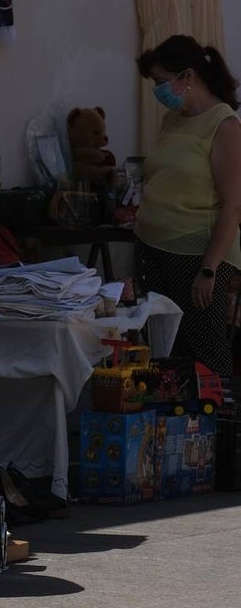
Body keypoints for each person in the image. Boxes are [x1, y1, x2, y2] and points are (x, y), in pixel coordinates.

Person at [135, 34, 241, 378]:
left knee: (203, 347)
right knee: (163, 347)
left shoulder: (223, 125)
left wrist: (209, 269)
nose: (158, 90)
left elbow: (232, 205)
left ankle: (219, 427)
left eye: (162, 82)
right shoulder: (173, 120)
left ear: (188, 76)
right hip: (153, 247)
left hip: (197, 255)